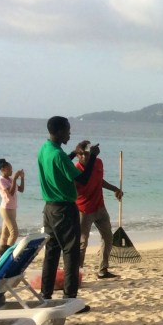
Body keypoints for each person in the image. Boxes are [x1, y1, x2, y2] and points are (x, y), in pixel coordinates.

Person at [37, 116, 99, 306]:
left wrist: (73, 152)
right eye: (67, 130)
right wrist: (93, 156)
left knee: (52, 252)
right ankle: (69, 299)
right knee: (71, 253)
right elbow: (83, 179)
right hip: (64, 209)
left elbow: (61, 165)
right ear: (59, 132)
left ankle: (45, 295)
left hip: (49, 209)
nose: (69, 134)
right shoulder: (58, 155)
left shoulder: (45, 149)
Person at [73, 140, 123, 279]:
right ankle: (77, 274)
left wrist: (115, 189)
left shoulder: (99, 163)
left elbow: (99, 180)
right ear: (77, 156)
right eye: (81, 154)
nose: (84, 157)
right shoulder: (75, 170)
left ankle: (103, 270)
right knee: (82, 243)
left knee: (108, 238)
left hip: (100, 207)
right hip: (84, 210)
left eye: (87, 154)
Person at [0, 158, 25, 255]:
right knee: (14, 232)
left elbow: (21, 189)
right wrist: (15, 179)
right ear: (3, 169)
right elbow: (11, 193)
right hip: (6, 209)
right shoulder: (1, 181)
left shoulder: (10, 179)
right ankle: (7, 253)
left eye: (11, 169)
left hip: (13, 209)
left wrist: (22, 178)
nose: (11, 171)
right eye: (9, 169)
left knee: (5, 234)